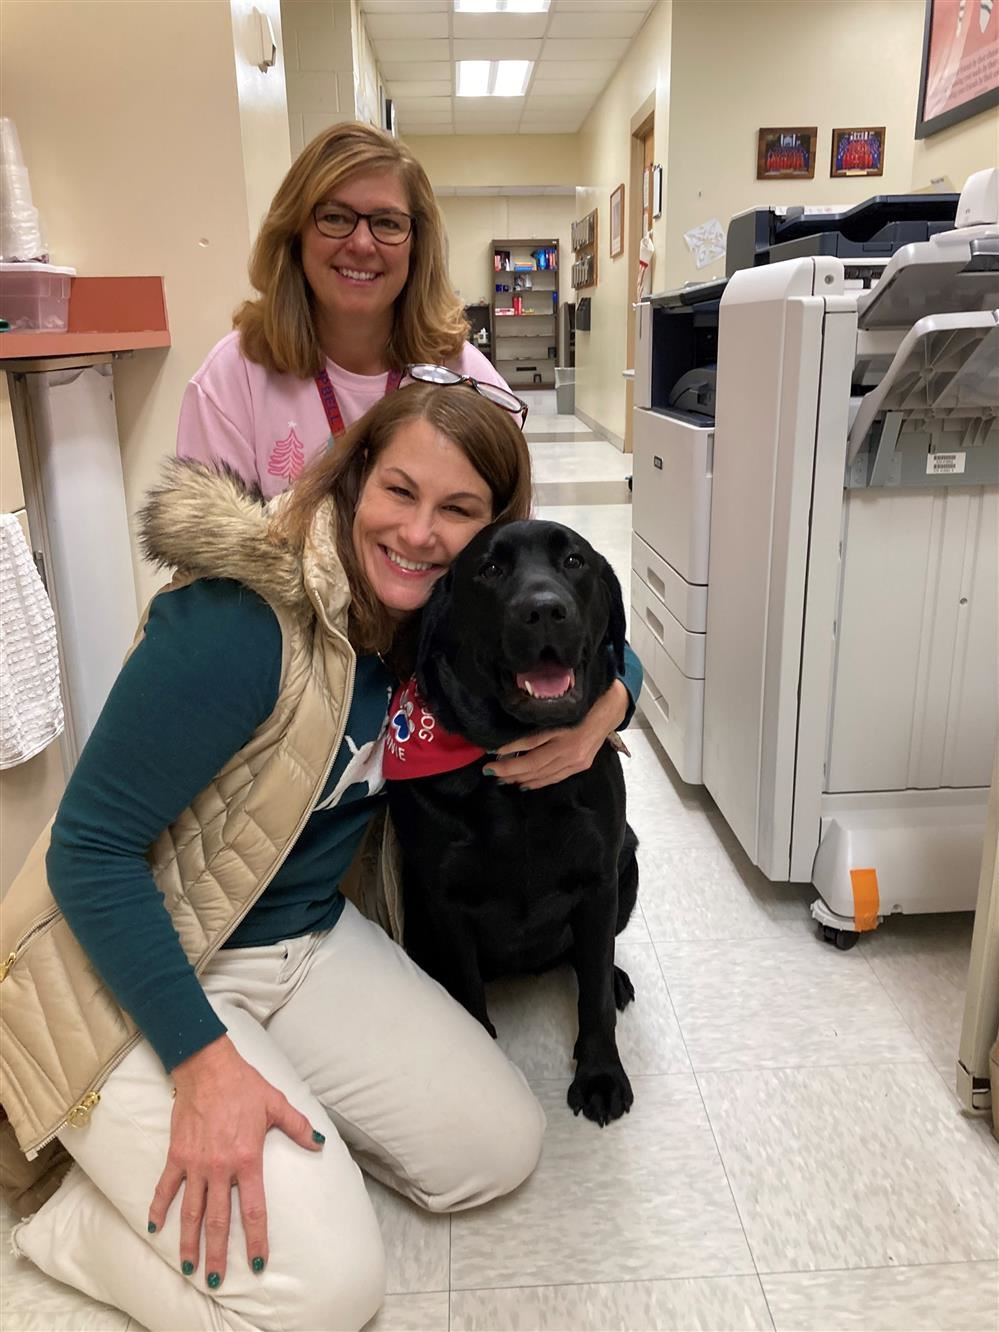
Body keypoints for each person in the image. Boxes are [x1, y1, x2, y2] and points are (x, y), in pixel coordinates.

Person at [3, 382, 641, 1332]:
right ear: (350, 481)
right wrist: (202, 1059)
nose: (422, 533)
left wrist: (607, 702)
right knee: (327, 1296)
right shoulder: (238, 621)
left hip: (301, 941)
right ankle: (69, 1229)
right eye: (399, 492)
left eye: (459, 510)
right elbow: (90, 852)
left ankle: (278, 1134)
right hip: (144, 961)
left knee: (496, 1150)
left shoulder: (422, 636)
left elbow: (587, 632)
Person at [177, 120, 514, 499]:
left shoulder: (464, 377)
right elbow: (210, 553)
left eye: (387, 223)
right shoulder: (232, 381)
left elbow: (511, 537)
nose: (361, 244)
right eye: (335, 217)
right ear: (294, 233)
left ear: (416, 246)